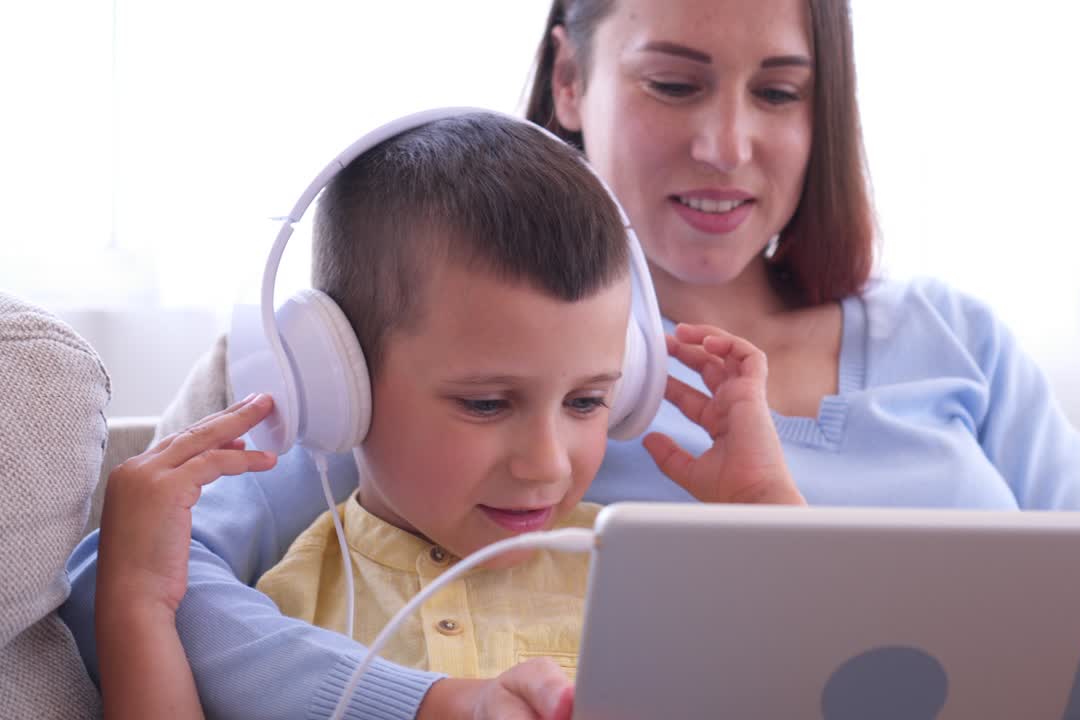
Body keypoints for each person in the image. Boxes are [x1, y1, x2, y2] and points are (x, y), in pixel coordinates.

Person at [63, 1, 1080, 718]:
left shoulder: (959, 342)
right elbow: (145, 579)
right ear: (568, 79)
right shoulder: (399, 370)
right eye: (672, 82)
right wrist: (420, 703)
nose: (728, 143)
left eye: (778, 91)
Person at [88, 113, 800, 720]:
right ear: (338, 386)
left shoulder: (644, 579)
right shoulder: (296, 596)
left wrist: (765, 511)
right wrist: (138, 600)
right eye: (487, 403)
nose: (547, 463)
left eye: (587, 401)